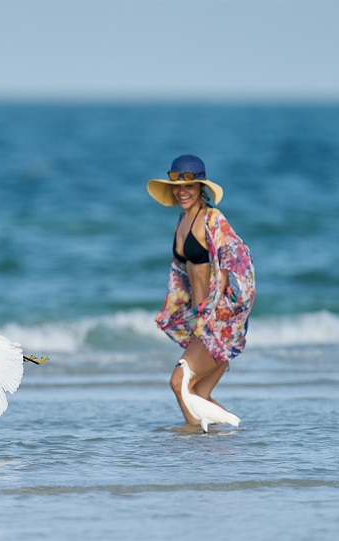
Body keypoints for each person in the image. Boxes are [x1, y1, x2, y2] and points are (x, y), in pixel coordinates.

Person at [147, 154, 255, 426]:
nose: (183, 191)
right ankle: (228, 449)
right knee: (199, 394)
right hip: (200, 322)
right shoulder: (183, 220)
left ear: (201, 188)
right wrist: (176, 312)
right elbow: (182, 276)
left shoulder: (213, 220)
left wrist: (225, 312)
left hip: (218, 322)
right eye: (178, 186)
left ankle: (195, 443)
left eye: (190, 186)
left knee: (179, 382)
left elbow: (241, 264)